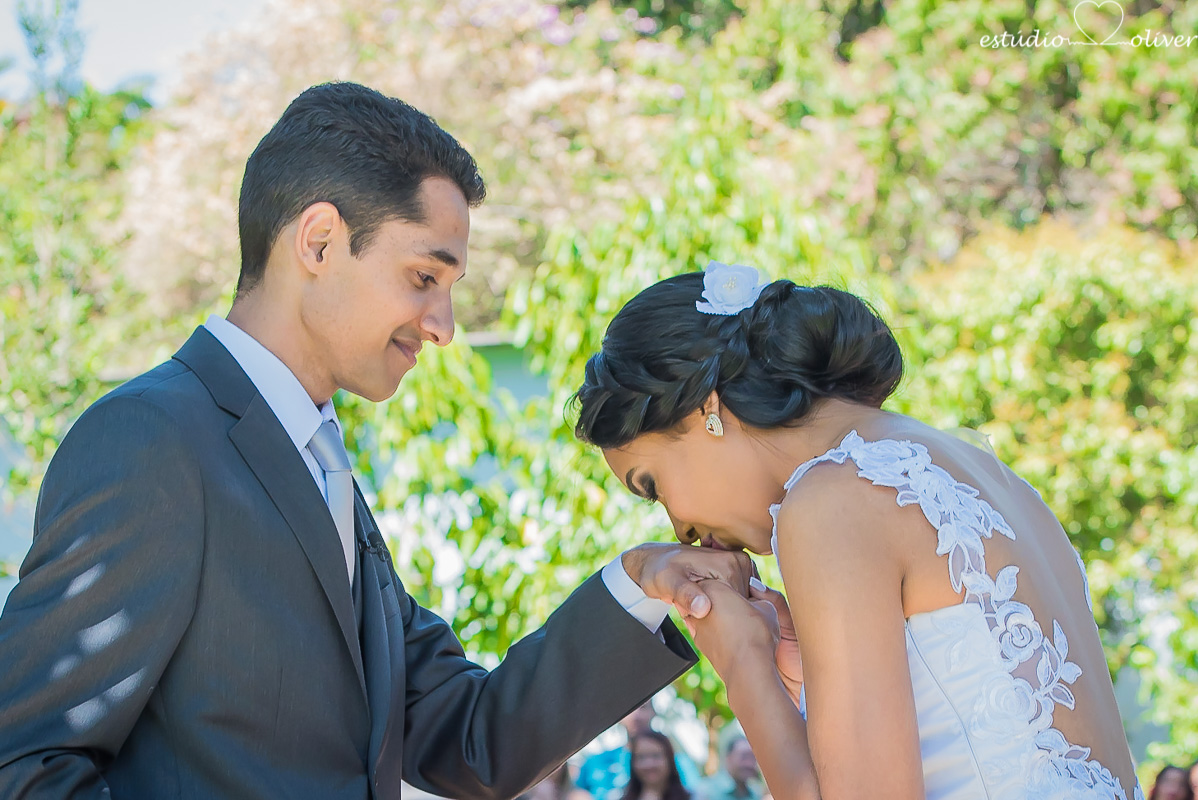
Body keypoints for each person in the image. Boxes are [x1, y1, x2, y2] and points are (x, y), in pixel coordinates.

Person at [0, 83, 757, 799]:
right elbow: (24, 762)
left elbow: (471, 738)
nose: (444, 326)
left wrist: (644, 582)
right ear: (320, 242)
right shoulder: (152, 440)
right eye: (425, 276)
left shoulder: (320, 465)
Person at [573, 261, 1145, 799]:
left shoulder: (830, 501)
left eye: (652, 484)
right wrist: (800, 688)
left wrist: (743, 662)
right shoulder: (986, 472)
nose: (680, 529)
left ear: (705, 410)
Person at [577, 698, 702, 799]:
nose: (636, 716)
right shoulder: (595, 762)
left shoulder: (681, 763)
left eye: (643, 708)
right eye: (629, 710)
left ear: (653, 712)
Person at [619, 731, 691, 800]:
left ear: (669, 759)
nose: (649, 764)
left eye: (656, 756)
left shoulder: (695, 797)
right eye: (641, 757)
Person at [697, 732, 763, 800]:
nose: (749, 764)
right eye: (744, 757)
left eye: (753, 758)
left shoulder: (756, 793)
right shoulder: (707, 791)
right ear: (728, 758)